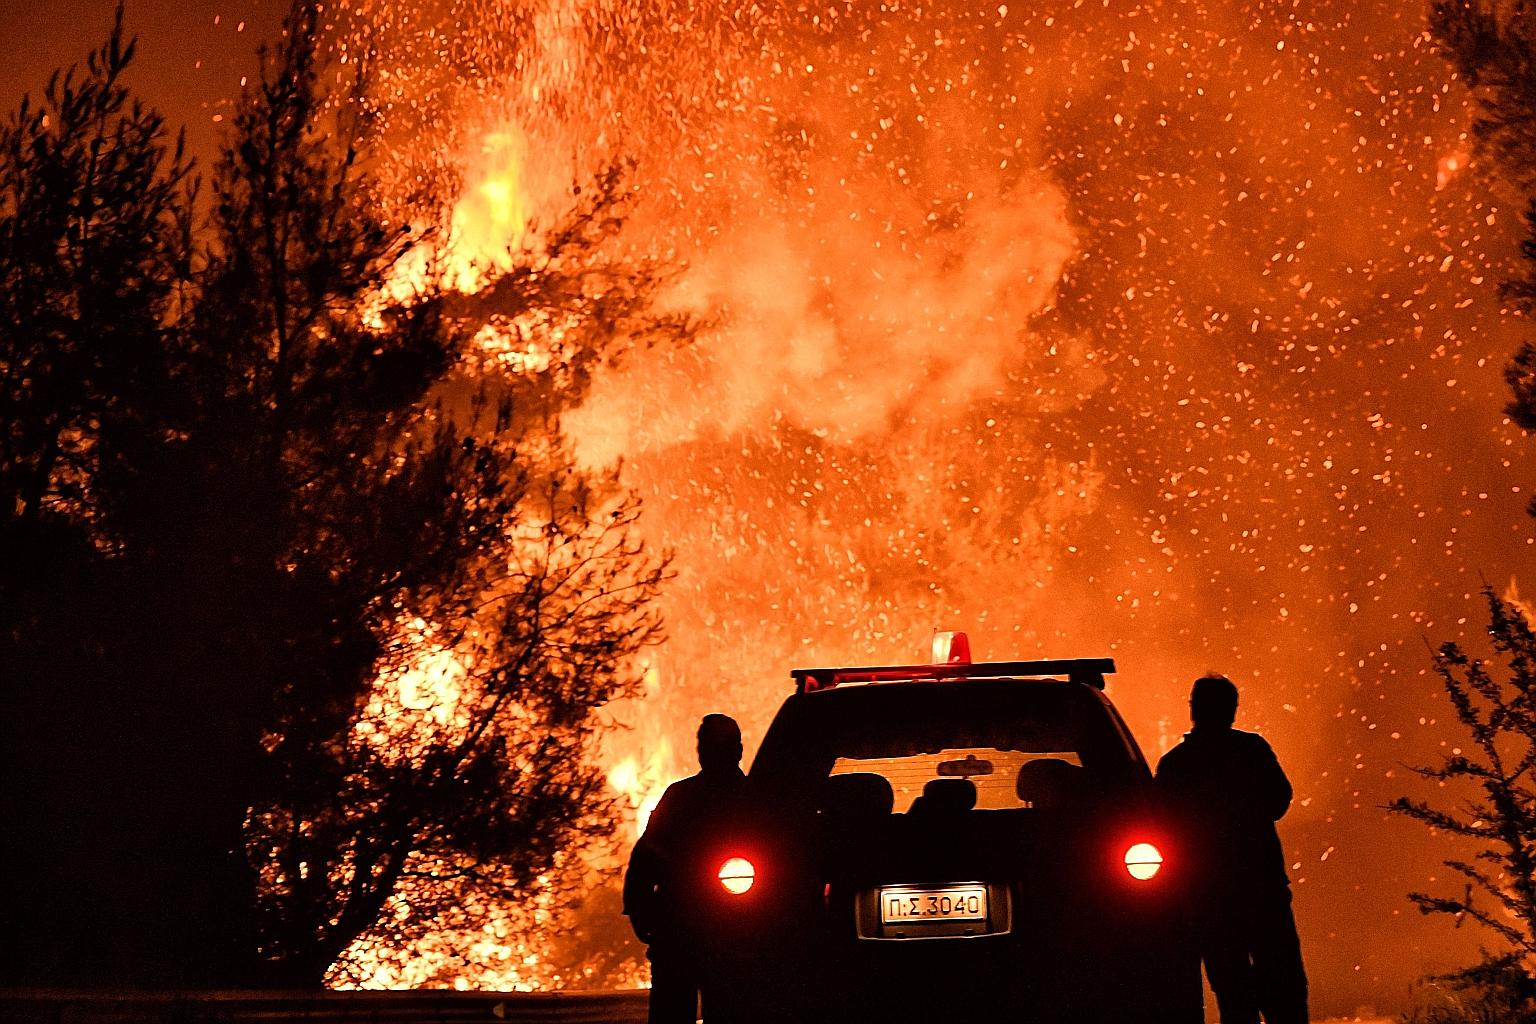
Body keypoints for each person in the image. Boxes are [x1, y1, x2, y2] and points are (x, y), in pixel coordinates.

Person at [1156, 675, 1309, 1024]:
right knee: (1284, 985)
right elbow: (1278, 800)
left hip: (1209, 897)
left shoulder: (1176, 765)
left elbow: (1163, 826)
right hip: (1262, 887)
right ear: (1232, 710)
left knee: (1232, 990)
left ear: (1194, 709)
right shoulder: (1252, 751)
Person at [623, 714, 750, 1024]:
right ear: (739, 750)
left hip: (690, 933)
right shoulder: (756, 800)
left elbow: (644, 861)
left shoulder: (681, 798)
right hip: (725, 935)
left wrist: (640, 914)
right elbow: (645, 859)